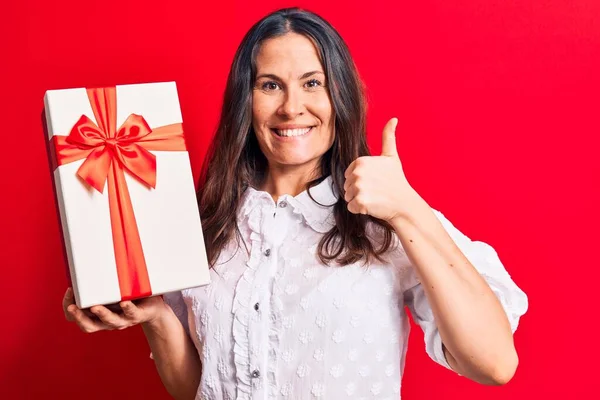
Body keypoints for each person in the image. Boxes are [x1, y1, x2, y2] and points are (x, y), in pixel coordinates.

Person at [62, 7, 528, 400]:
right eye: (270, 85)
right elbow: (201, 388)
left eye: (312, 83)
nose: (291, 108)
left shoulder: (384, 217)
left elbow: (494, 363)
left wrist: (409, 209)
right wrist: (158, 318)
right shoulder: (208, 222)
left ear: (339, 95)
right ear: (246, 100)